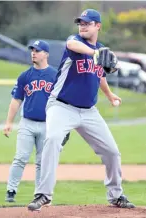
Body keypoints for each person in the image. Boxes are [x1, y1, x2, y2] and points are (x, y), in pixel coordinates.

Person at [27, 9, 135, 211]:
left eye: (87, 23)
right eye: (80, 23)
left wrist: (109, 95)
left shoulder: (101, 50)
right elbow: (71, 44)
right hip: (61, 106)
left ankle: (116, 195)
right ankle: (43, 194)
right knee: (52, 140)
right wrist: (94, 52)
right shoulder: (76, 43)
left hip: (89, 112)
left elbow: (100, 74)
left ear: (98, 26)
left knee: (112, 152)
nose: (82, 26)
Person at [3, 40, 70, 202]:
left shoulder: (55, 75)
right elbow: (16, 100)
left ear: (46, 54)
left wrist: (65, 126)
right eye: (32, 50)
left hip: (48, 125)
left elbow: (64, 101)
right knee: (20, 157)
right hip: (27, 123)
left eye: (37, 50)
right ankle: (11, 190)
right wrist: (8, 122)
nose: (33, 53)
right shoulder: (25, 76)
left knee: (42, 162)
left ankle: (40, 194)